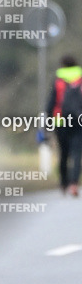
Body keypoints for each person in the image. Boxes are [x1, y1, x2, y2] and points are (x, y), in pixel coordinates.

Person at [45, 55, 82, 196]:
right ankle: (74, 183)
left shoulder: (58, 81)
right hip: (78, 120)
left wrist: (48, 122)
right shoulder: (80, 79)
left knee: (64, 153)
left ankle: (63, 183)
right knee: (77, 153)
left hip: (60, 121)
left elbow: (51, 103)